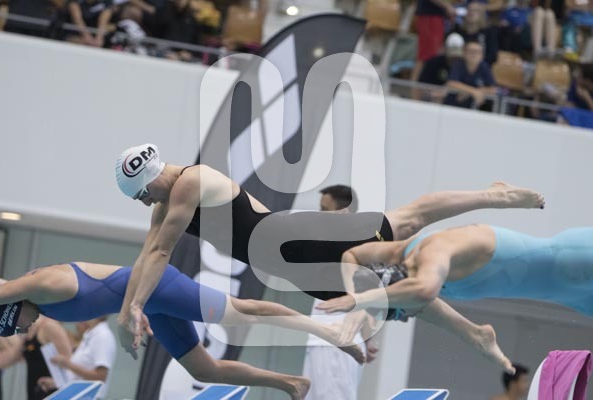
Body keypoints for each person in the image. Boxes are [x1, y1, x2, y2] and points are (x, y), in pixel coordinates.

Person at [114, 144, 544, 352]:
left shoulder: (190, 182)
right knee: (388, 293)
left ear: (151, 176)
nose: (145, 203)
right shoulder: (165, 204)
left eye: (142, 194)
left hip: (296, 237)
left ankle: (495, 195)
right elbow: (146, 255)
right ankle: (474, 333)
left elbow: (161, 253)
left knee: (405, 221)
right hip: (288, 265)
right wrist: (126, 313)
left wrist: (135, 306)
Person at [0, 261, 380, 399]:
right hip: (150, 305)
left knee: (244, 312)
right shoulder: (36, 299)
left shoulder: (43, 284)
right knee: (204, 370)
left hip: (160, 288)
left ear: (13, 305)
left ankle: (332, 332)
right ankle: (291, 384)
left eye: (15, 326)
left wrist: (133, 309)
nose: (23, 331)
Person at [318, 224, 593, 354]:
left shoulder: (429, 257)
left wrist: (360, 299)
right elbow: (351, 256)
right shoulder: (417, 275)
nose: (407, 317)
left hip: (574, 259)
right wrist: (362, 309)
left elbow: (421, 292)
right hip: (574, 296)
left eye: (400, 313)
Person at [302, 185, 379, 400]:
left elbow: (366, 295)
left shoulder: (352, 247)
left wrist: (367, 337)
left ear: (344, 212)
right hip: (322, 340)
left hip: (337, 343)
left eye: (325, 209)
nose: (320, 214)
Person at [37, 316, 117, 399]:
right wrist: (56, 383)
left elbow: (100, 377)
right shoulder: (89, 334)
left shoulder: (103, 335)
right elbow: (80, 376)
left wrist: (68, 365)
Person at [445, 40, 498, 109]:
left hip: (475, 107)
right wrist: (473, 91)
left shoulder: (484, 67)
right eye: (471, 51)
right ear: (464, 53)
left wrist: (473, 92)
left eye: (477, 52)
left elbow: (493, 89)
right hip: (453, 106)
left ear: (482, 55)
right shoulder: (458, 64)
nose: (474, 54)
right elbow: (451, 83)